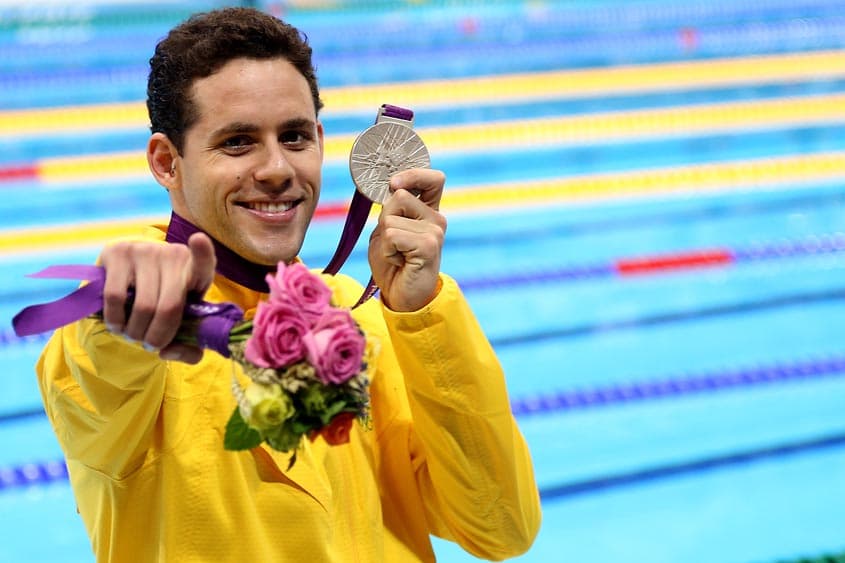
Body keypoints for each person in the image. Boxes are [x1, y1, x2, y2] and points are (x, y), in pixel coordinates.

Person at [35, 7, 541, 562]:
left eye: (295, 136)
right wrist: (123, 308)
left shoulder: (365, 314)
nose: (277, 168)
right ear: (166, 162)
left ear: (322, 141)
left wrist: (422, 315)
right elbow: (97, 374)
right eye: (238, 142)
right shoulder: (133, 332)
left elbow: (500, 527)